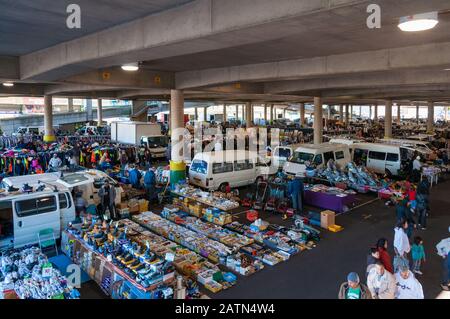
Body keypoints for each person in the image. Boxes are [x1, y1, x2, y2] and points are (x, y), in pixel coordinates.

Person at [436, 227, 450, 291]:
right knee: (446, 271)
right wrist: (443, 254)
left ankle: (448, 281)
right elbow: (438, 246)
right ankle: (444, 284)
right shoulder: (445, 241)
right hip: (447, 259)